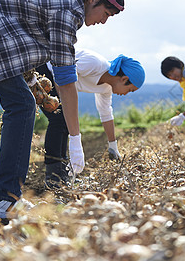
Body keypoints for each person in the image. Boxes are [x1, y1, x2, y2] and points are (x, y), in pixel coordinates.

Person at [0, 0, 126, 218]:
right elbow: (65, 80)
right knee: (21, 104)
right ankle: (6, 198)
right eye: (106, 13)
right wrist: (75, 140)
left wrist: (32, 81)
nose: (104, 21)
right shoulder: (69, 10)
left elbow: (20, 36)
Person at [36, 49, 145, 188]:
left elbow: (106, 114)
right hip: (46, 71)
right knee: (60, 119)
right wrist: (65, 112)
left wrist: (113, 145)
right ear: (124, 79)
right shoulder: (95, 63)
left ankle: (63, 175)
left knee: (64, 120)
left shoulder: (106, 88)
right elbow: (62, 76)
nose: (127, 94)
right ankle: (54, 177)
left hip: (59, 82)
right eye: (130, 90)